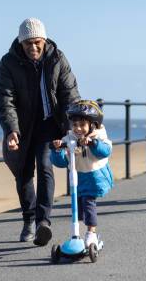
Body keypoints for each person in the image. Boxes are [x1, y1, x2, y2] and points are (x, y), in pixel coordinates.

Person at [0, 18, 80, 245]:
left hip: (48, 124)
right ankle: (29, 219)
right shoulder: (8, 63)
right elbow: (5, 99)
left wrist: (73, 128)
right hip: (21, 126)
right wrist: (11, 130)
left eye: (37, 42)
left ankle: (43, 222)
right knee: (22, 172)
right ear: (21, 44)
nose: (33, 48)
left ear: (44, 40)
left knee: (44, 167)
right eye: (28, 44)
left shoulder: (57, 58)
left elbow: (69, 95)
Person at [51, 100, 114, 247]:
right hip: (77, 178)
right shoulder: (70, 139)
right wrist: (57, 149)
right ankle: (76, 235)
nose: (78, 129)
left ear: (92, 124)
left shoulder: (99, 136)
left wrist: (92, 143)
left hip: (95, 177)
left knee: (88, 203)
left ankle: (91, 234)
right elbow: (60, 162)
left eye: (82, 125)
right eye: (74, 125)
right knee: (77, 207)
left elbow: (105, 152)